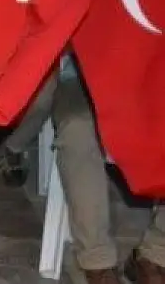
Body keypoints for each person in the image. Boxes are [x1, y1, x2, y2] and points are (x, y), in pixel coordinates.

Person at [52, 52, 165, 284]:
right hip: (86, 74)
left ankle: (155, 255)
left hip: (154, 76)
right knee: (78, 128)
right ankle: (97, 264)